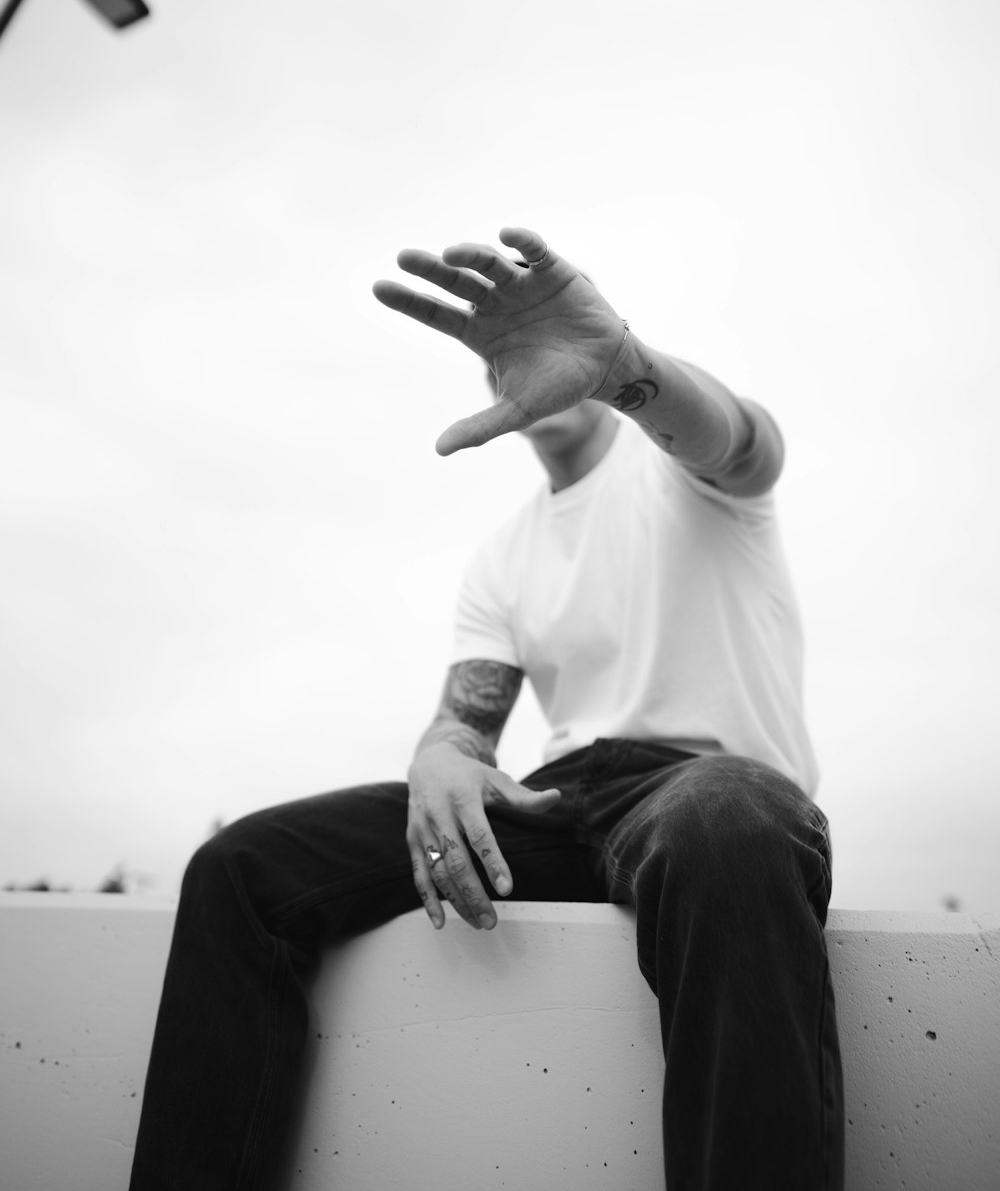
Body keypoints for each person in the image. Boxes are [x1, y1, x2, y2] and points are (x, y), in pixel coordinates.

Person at [128, 225, 844, 1191]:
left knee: (727, 820)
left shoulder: (678, 467)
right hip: (555, 803)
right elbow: (466, 724)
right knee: (242, 868)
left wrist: (625, 369)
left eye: (556, 361)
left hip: (700, 791)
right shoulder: (502, 559)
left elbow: (743, 443)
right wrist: (440, 757)